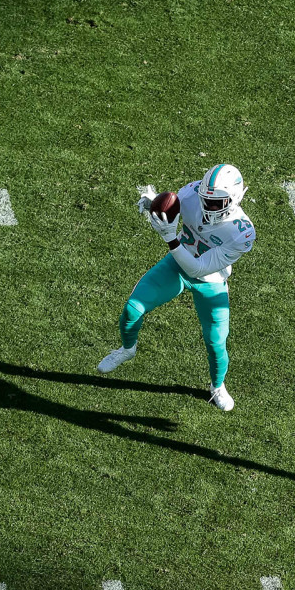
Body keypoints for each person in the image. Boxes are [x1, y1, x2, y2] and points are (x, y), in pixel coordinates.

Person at [97, 164, 256, 411]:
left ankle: (217, 386)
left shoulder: (241, 233)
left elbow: (198, 269)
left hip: (210, 279)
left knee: (216, 342)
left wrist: (171, 238)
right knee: (132, 309)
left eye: (217, 202)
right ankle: (127, 349)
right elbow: (171, 207)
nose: (208, 207)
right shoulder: (192, 194)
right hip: (175, 266)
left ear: (235, 199)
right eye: (205, 199)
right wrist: (156, 205)